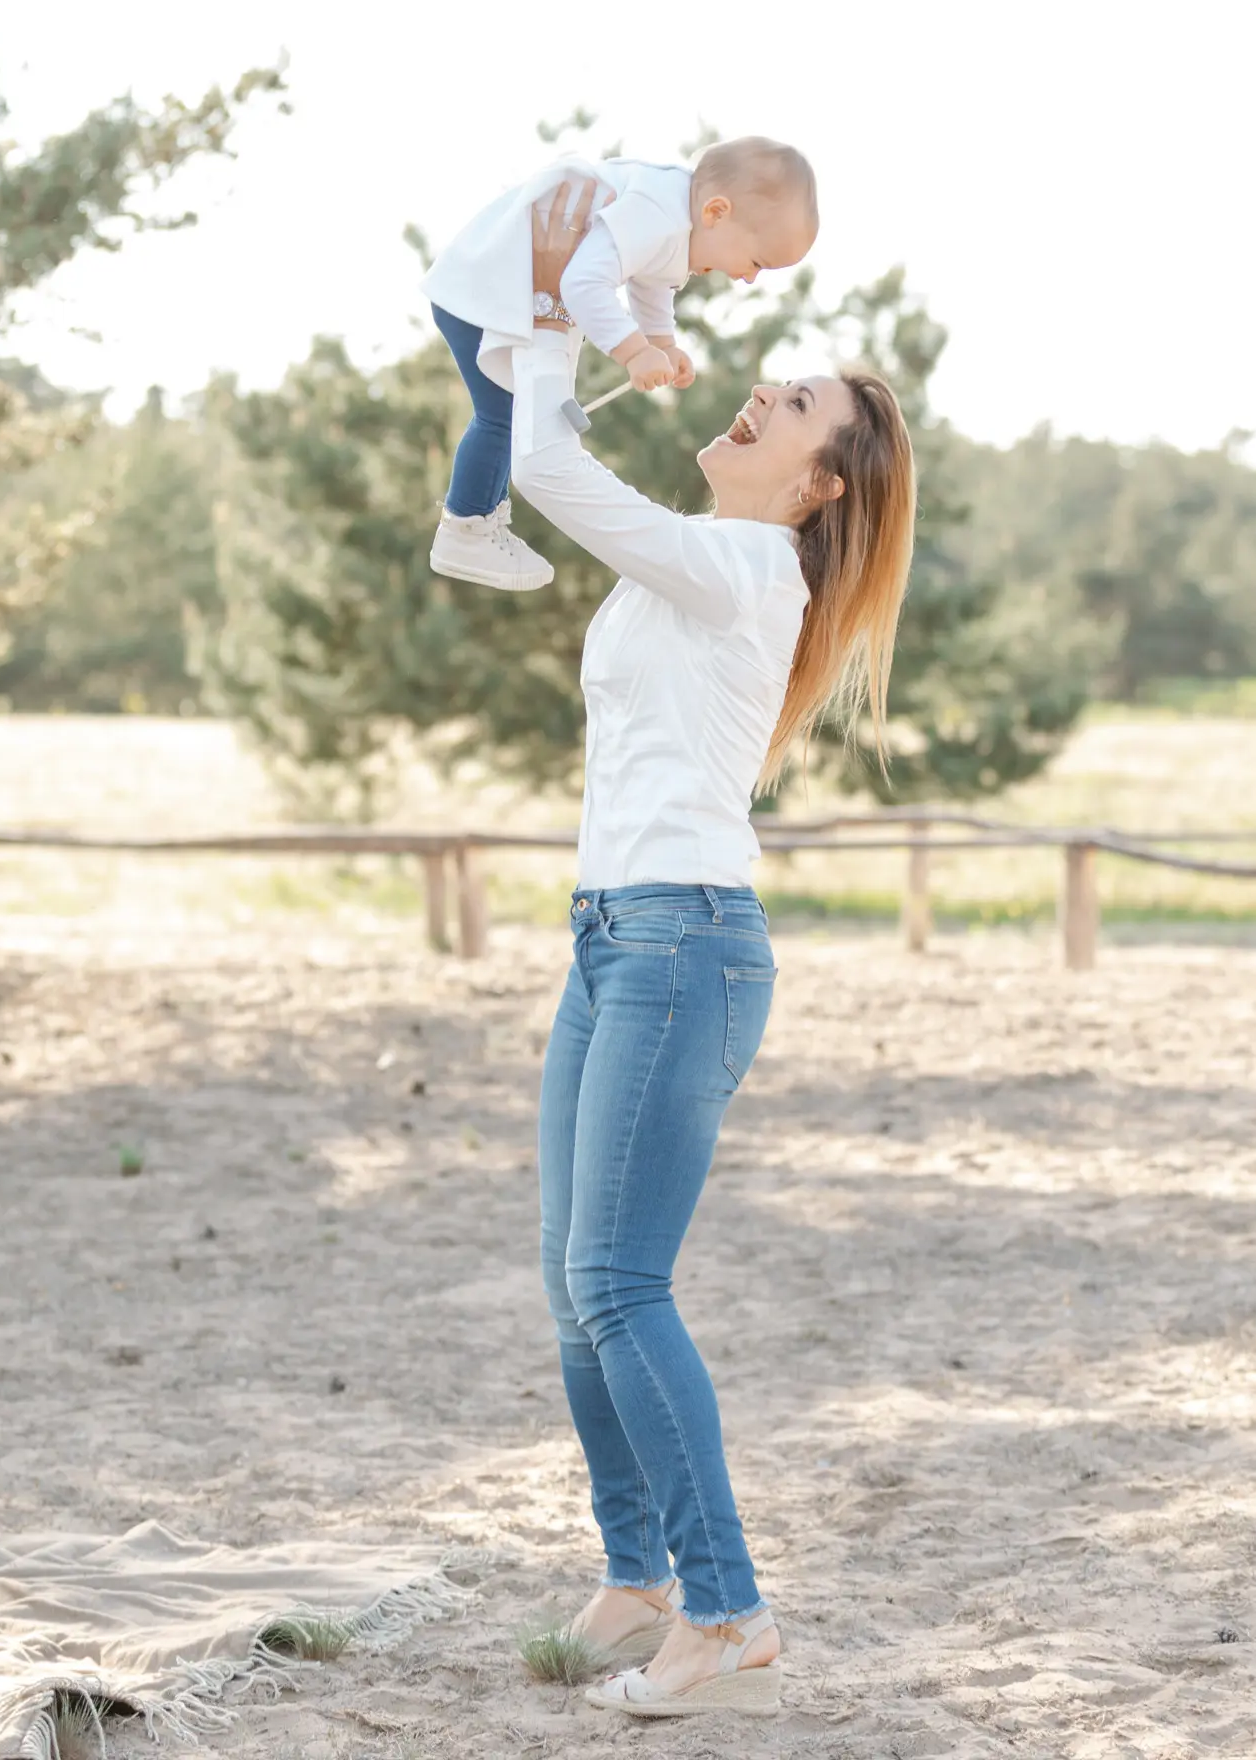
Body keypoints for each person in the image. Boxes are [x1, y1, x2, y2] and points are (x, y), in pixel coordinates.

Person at [511, 181, 917, 1719]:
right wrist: (633, 310)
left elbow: (547, 461)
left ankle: (729, 1614)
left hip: (683, 945)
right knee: (575, 1285)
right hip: (614, 937)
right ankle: (637, 1578)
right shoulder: (696, 558)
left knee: (619, 1279)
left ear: (821, 484)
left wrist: (551, 309)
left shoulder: (746, 567)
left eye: (794, 403)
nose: (764, 394)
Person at [421, 138, 818, 591]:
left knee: (511, 413)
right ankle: (466, 527)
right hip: (486, 286)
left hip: (494, 282)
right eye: (757, 263)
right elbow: (583, 281)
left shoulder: (672, 220)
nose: (748, 278)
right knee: (502, 416)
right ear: (716, 213)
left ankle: (479, 520)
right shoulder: (658, 212)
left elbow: (651, 283)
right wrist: (633, 352)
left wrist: (661, 343)